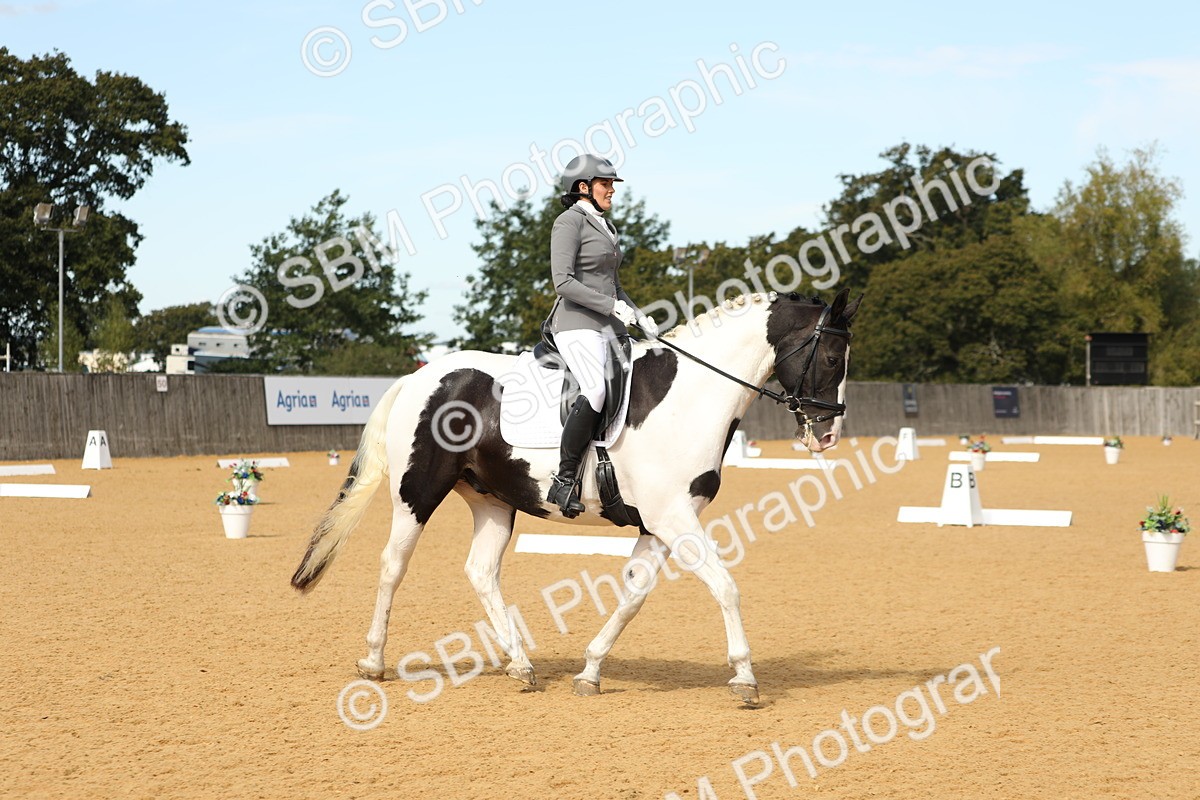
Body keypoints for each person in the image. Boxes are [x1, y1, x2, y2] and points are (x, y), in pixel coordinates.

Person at [544, 154, 657, 518]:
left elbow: (614, 284)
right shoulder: (568, 222)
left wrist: (636, 313)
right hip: (576, 323)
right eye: (605, 183)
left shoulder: (606, 226)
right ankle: (563, 480)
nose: (611, 190)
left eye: (611, 184)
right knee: (594, 389)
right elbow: (563, 281)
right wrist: (611, 307)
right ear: (583, 187)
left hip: (610, 326)